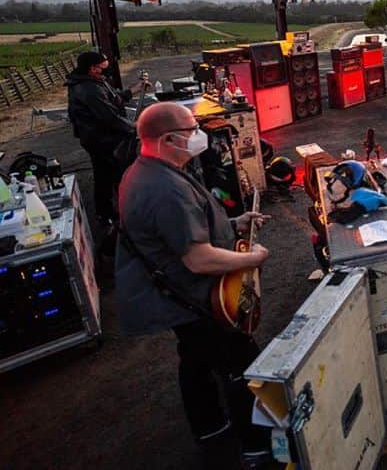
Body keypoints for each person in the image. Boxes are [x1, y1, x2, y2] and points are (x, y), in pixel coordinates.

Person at [115, 102, 274, 469]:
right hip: (193, 297)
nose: (199, 136)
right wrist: (252, 258)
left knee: (196, 359)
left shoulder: (149, 171)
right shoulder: (164, 189)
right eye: (192, 130)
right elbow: (198, 258)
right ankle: (256, 448)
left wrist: (234, 223)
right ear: (169, 139)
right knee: (239, 363)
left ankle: (210, 427)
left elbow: (183, 230)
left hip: (177, 297)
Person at [65, 50, 147, 227]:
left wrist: (134, 89)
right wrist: (135, 127)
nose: (106, 70)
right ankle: (111, 215)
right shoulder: (88, 89)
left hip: (102, 136)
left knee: (105, 174)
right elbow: (108, 116)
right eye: (103, 67)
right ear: (93, 68)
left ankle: (109, 212)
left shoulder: (94, 81)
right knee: (110, 174)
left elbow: (114, 99)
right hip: (100, 139)